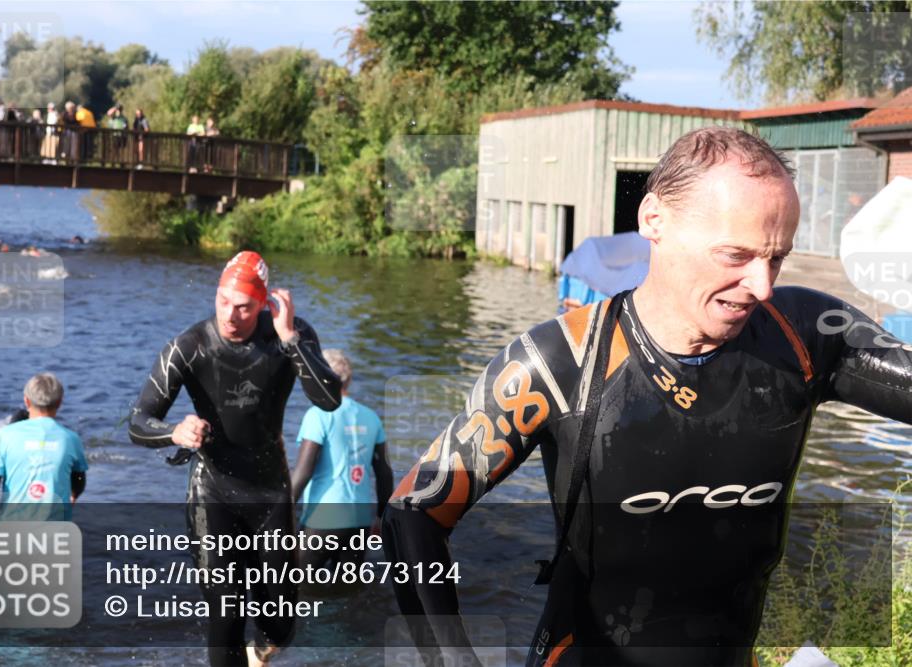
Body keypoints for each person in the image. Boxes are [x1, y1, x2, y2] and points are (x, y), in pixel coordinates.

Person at [383, 127, 912, 667]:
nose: (761, 285)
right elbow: (413, 512)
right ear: (653, 220)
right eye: (736, 255)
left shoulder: (804, 334)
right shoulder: (559, 361)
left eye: (776, 258)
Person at [128, 251, 342, 667]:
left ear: (263, 303)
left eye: (243, 306)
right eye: (223, 301)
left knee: (280, 623)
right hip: (213, 491)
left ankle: (260, 651)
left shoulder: (290, 335)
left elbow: (329, 399)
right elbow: (138, 421)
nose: (230, 314)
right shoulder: (188, 347)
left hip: (269, 492)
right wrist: (173, 432)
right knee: (226, 609)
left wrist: (290, 340)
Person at [291, 349, 393, 570]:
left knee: (295, 586)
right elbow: (384, 473)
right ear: (349, 379)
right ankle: (336, 607)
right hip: (359, 521)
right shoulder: (371, 416)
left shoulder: (318, 415)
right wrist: (381, 518)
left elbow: (303, 471)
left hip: (322, 519)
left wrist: (278, 514)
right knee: (346, 586)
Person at [0, 373, 88, 522]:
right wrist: (74, 495)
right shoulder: (70, 439)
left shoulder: (4, 436)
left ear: (27, 401)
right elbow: (79, 477)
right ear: (60, 402)